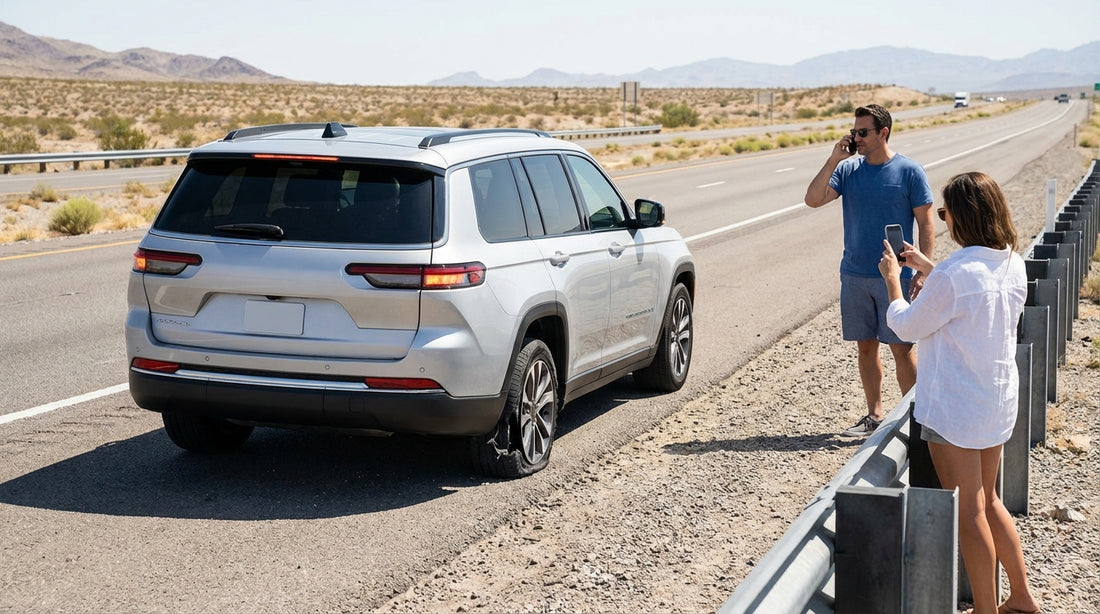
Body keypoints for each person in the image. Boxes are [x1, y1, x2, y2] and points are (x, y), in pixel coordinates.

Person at [878, 172, 1040, 614]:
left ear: (963, 216)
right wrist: (929, 269)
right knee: (989, 501)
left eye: (946, 212)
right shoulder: (1012, 261)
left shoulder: (953, 273)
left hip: (955, 410)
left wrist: (894, 280)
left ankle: (986, 611)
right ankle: (1022, 597)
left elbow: (906, 325)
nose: (944, 220)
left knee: (969, 512)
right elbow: (975, 295)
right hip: (996, 402)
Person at [804, 104, 936, 436]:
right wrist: (835, 158)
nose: (856, 138)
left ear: (883, 133)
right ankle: (874, 415)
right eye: (854, 132)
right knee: (866, 346)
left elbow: (926, 223)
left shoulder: (909, 172)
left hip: (897, 276)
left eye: (863, 132)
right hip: (854, 274)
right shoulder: (848, 172)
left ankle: (917, 421)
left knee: (902, 349)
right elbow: (813, 199)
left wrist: (922, 272)